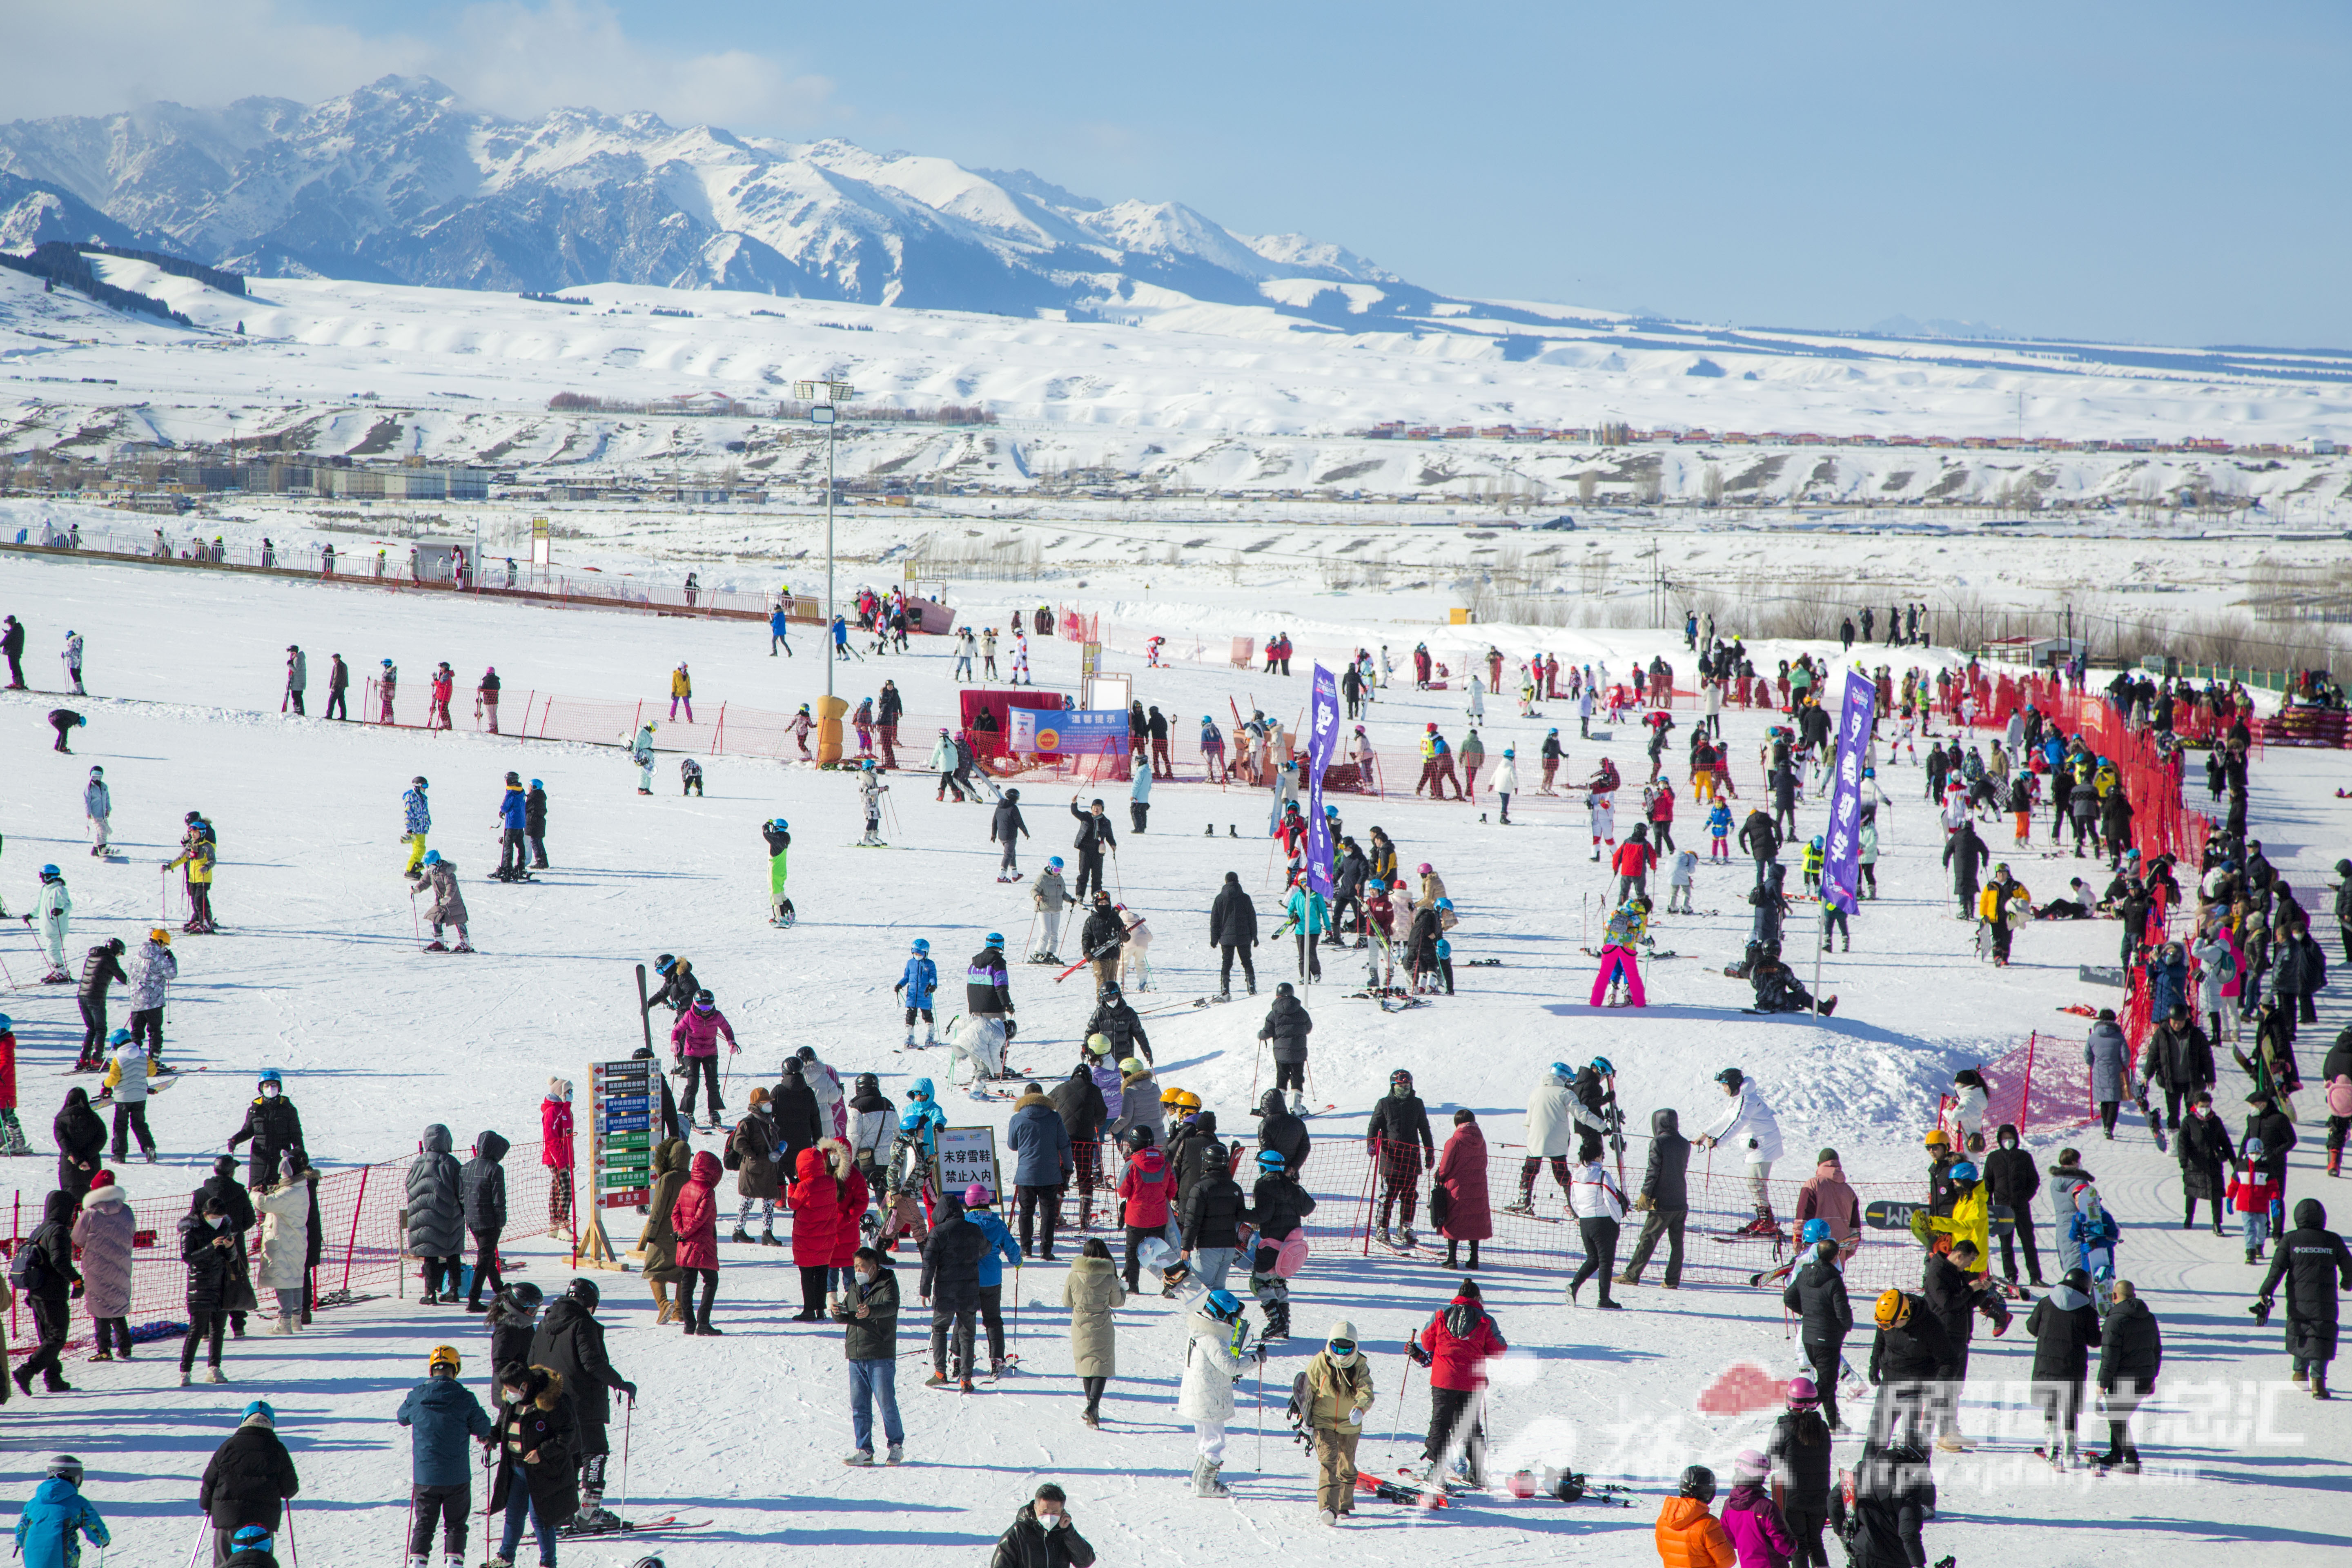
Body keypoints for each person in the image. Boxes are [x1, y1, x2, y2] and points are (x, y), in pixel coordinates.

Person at [528, 1279, 633, 1525]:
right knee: (594, 1452)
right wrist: (620, 1383)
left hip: (550, 1402)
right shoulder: (583, 1323)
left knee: (568, 1454)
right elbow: (592, 1363)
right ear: (590, 1303)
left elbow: (531, 1361)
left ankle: (562, 1510)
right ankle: (589, 1511)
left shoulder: (544, 1323)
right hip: (582, 1401)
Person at [398, 1345, 494, 1568]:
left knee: (424, 1523)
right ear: (456, 1369)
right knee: (456, 1524)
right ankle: (454, 1562)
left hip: (425, 1475)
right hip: (457, 1475)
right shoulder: (465, 1398)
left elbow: (402, 1418)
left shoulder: (416, 1395)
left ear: (432, 1370)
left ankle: (417, 1562)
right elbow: (483, 1426)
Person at [1411, 1278, 1505, 1486]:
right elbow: (1499, 1350)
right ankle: (1478, 1472)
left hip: (1444, 1379)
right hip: (1473, 1381)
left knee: (1440, 1423)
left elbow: (1427, 1342)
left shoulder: (1441, 1314)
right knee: (1472, 1426)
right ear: (1477, 1298)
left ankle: (1436, 1471)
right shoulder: (1486, 1321)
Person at [2255, 1197, 2352, 1397]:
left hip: (2298, 1300)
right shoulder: (2332, 1240)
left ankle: (2300, 1373)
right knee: (2320, 1336)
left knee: (2300, 1332)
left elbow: (2277, 1269)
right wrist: (2347, 1283)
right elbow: (2349, 1267)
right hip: (2325, 1301)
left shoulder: (2291, 1240)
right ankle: (2318, 1383)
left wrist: (2266, 1291)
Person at [488, 1363, 577, 1567]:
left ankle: (548, 1562)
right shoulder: (511, 1403)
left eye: (511, 1389)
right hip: (516, 1469)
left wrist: (542, 1453)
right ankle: (506, 1558)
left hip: (542, 1472)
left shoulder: (551, 1402)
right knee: (513, 1516)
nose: (508, 1394)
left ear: (524, 1386)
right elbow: (502, 1426)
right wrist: (492, 1437)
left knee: (541, 1519)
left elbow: (567, 1435)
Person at [1177, 1289, 1260, 1497]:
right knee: (1215, 1441)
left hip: (1199, 1395)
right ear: (1222, 1314)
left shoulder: (1199, 1330)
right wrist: (1256, 1359)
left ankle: (1199, 1481)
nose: (1235, 1322)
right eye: (1233, 1317)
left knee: (1205, 1440)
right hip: (1210, 1397)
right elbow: (1230, 1367)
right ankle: (1208, 1485)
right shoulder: (1212, 1337)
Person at [200, 1401, 298, 1567]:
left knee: (226, 1562)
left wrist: (206, 1504)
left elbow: (210, 1480)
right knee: (258, 1562)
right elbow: (290, 1489)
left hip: (228, 1516)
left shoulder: (228, 1447)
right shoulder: (277, 1448)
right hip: (263, 1519)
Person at [1301, 1319, 1376, 1525]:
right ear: (1329, 1344)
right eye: (1336, 1347)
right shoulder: (1320, 1362)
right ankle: (1328, 1507)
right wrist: (1305, 1417)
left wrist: (1360, 1408)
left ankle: (1343, 1505)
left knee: (1347, 1465)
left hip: (1349, 1423)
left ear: (1355, 1346)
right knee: (1328, 1461)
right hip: (1322, 1420)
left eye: (1347, 1348)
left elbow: (1366, 1390)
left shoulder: (1359, 1365)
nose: (1341, 1353)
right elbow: (1307, 1391)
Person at [2025, 1267, 2102, 1466]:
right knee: (2069, 1405)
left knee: (2051, 1402)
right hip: (2073, 1365)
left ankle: (2051, 1444)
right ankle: (2070, 1450)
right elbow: (2095, 1341)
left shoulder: (2046, 1303)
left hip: (2047, 1362)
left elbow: (2032, 1328)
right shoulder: (2087, 1311)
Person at [1697, 1067, 1784, 1236]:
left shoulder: (1748, 1099)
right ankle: (1764, 1219)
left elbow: (1739, 1122)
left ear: (1733, 1084)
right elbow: (1726, 1119)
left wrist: (1718, 1141)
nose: (1723, 1089)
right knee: (1755, 1182)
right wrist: (1704, 1135)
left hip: (1765, 1145)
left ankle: (1767, 1222)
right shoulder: (1740, 1098)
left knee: (1756, 1182)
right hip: (1758, 1145)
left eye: (1724, 1085)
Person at [1865, 1287, 1951, 1450]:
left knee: (1909, 1446)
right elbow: (1880, 1342)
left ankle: (1909, 1475)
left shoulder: (1931, 1326)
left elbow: (1950, 1361)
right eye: (1882, 1325)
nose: (1885, 1328)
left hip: (1915, 1392)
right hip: (1889, 1385)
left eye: (1889, 1325)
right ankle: (1868, 1473)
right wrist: (1874, 1366)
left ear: (1905, 1314)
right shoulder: (1887, 1320)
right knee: (1875, 1439)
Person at [178, 1193, 249, 1387]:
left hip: (221, 1283)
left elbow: (231, 1257)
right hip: (200, 1284)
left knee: (219, 1329)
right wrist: (211, 1247)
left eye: (221, 1217)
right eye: (215, 1217)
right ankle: (185, 1371)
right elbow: (188, 1257)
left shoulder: (225, 1226)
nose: (218, 1220)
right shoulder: (191, 1230)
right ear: (206, 1213)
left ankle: (214, 1368)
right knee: (197, 1329)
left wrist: (230, 1247)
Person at [11, 1191, 78, 1395]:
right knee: (57, 1337)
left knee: (47, 1337)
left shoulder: (40, 1229)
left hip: (36, 1293)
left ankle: (53, 1378)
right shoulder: (58, 1231)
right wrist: (77, 1281)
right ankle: (26, 1371)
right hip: (52, 1293)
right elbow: (59, 1261)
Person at [921, 1190, 987, 1391]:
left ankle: (941, 1373)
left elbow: (928, 1263)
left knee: (940, 1329)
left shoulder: (938, 1233)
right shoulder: (974, 1229)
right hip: (969, 1290)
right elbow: (986, 1249)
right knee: (967, 1334)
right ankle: (966, 1380)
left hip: (945, 1291)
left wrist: (925, 1289)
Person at [1059, 1236, 1127, 1429]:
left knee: (1087, 1366)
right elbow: (1118, 1302)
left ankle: (1092, 1409)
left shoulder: (1073, 1275)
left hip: (1079, 1325)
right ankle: (1093, 1407)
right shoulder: (1109, 1276)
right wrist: (1123, 1288)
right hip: (1102, 1325)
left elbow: (1066, 1302)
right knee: (1101, 1365)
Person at [2093, 1280, 2161, 1471]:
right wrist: (2152, 1377)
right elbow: (2156, 1349)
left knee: (2116, 1416)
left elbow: (2110, 1357)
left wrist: (2102, 1383)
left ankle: (2131, 1459)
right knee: (2119, 1416)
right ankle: (2116, 1454)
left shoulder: (2114, 1321)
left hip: (2123, 1378)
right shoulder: (2149, 1318)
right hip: (2144, 1376)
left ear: (2114, 1296)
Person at [1620, 1107, 1692, 1289]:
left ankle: (1632, 1275)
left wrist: (1646, 1194)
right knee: (1677, 1243)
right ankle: (1672, 1280)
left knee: (1648, 1239)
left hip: (1662, 1202)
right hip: (1680, 1200)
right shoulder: (1685, 1143)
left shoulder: (1658, 1142)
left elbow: (1653, 1172)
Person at [1767, 1379, 1835, 1567]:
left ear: (1790, 1401)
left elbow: (1771, 1460)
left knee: (1798, 1543)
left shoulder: (1783, 1428)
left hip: (1794, 1498)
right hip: (1821, 1496)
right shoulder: (1822, 1428)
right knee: (1816, 1542)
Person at [1368, 1068, 1434, 1248]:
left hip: (1412, 1156)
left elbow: (1425, 1129)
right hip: (1391, 1156)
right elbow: (1374, 1126)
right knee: (1388, 1194)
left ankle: (1406, 1227)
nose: (1404, 1089)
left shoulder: (1417, 1104)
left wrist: (1430, 1152)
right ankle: (1382, 1228)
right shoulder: (1385, 1104)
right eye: (1400, 1086)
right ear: (1393, 1086)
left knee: (1410, 1195)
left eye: (1407, 1086)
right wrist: (1371, 1144)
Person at [72, 1173, 135, 1360]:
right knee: (117, 1305)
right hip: (121, 1265)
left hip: (96, 1267)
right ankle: (125, 1347)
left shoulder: (90, 1213)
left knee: (100, 1308)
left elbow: (77, 1239)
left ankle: (104, 1349)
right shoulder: (127, 1211)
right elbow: (132, 1232)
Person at [1009, 1081, 1073, 1258]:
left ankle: (1026, 1248)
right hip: (1050, 1175)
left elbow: (1012, 1145)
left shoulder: (1017, 1119)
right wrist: (1068, 1167)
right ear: (1042, 1096)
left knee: (1026, 1212)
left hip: (1026, 1174)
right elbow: (1065, 1145)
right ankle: (1046, 1250)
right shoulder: (1054, 1117)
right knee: (1048, 1213)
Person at [13, 1453, 109, 1568]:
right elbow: (94, 1526)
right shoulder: (77, 1502)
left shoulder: (33, 1503)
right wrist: (102, 1540)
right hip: (62, 1559)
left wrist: (20, 1543)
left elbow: (22, 1529)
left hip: (32, 1558)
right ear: (76, 1478)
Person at [255, 1154, 316, 1332]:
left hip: (283, 1243)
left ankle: (284, 1323)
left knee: (283, 1284)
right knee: (296, 1281)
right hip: (296, 1242)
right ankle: (296, 1321)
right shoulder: (300, 1187)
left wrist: (254, 1193)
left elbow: (265, 1204)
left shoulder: (289, 1192)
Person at [405, 1124, 465, 1303]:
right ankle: (453, 1291)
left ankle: (430, 1294)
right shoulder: (452, 1163)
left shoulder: (418, 1162)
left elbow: (409, 1185)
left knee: (430, 1253)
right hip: (449, 1217)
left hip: (423, 1217)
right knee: (453, 1253)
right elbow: (461, 1189)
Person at [1567, 1153, 1628, 1308]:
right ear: (1598, 1156)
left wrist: (1582, 1215)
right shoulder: (1602, 1175)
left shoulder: (1575, 1175)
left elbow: (1573, 1199)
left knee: (1593, 1259)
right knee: (1606, 1262)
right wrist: (1618, 1217)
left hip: (1585, 1222)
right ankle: (1604, 1299)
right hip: (1603, 1222)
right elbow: (1611, 1198)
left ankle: (1574, 1285)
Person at [669, 991, 737, 1128]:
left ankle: (714, 1112)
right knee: (693, 1083)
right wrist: (675, 1042)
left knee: (713, 1083)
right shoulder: (689, 1016)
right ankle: (688, 1112)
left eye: (709, 1007)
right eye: (702, 1008)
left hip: (710, 1053)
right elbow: (677, 1031)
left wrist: (732, 1042)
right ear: (695, 1005)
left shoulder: (717, 1016)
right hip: (692, 1053)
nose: (706, 1011)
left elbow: (727, 1029)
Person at [1434, 1108, 1491, 1272]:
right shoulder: (1481, 1140)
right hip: (1478, 1186)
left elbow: (1445, 1167)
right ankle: (1474, 1260)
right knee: (1475, 1220)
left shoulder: (1454, 1141)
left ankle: (1452, 1259)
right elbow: (1484, 1163)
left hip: (1457, 1187)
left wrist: (1439, 1176)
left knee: (1454, 1220)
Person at [461, 1131, 511, 1312]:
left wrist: (467, 1214)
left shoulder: (466, 1167)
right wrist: (501, 1221)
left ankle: (498, 1287)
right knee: (484, 1259)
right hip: (490, 1222)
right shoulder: (495, 1169)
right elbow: (499, 1199)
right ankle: (473, 1300)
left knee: (487, 1256)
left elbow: (461, 1196)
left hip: (472, 1220)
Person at [989, 1483, 1096, 1568]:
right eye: (1044, 1512)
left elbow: (1085, 1563)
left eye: (1054, 1512)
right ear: (1035, 1508)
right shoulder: (1018, 1533)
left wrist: (1069, 1532)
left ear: (1062, 1511)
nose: (1049, 1517)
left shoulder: (1064, 1533)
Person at [1654, 1464, 1735, 1567]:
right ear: (1709, 1493)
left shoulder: (1664, 1520)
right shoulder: (1708, 1524)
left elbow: (1664, 1553)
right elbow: (1728, 1560)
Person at [1257, 982, 1313, 1116]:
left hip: (1281, 1054)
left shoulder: (1274, 1013)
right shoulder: (1301, 1011)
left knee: (1282, 1077)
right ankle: (1296, 1107)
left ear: (1278, 996)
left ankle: (1280, 1107)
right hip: (1298, 1052)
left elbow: (1267, 1032)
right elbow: (1309, 1027)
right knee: (1297, 1077)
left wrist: (1260, 1035)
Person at [125, 928, 176, 1062]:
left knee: (136, 1033)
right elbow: (171, 974)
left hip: (137, 1002)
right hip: (153, 1001)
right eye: (164, 945)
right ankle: (154, 1062)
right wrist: (171, 959)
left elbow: (130, 976)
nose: (165, 948)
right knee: (155, 1033)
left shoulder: (137, 956)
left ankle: (134, 1062)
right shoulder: (159, 957)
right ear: (160, 942)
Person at [406, 851, 470, 953]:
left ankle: (465, 944)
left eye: (429, 865)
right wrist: (417, 889)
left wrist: (448, 898)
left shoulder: (447, 873)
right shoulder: (432, 872)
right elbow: (424, 882)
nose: (427, 868)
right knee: (436, 917)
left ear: (436, 863)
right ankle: (439, 942)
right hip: (441, 902)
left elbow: (451, 886)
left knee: (459, 921)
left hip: (454, 902)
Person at [1211, 870, 1259, 999]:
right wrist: (1255, 936)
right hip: (1244, 937)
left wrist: (1214, 939)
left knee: (1226, 963)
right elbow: (1252, 919)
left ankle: (1225, 990)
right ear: (1237, 881)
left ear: (1226, 882)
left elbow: (1215, 921)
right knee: (1247, 962)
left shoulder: (1220, 899)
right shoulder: (1245, 898)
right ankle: (1252, 988)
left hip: (1226, 938)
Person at [992, 787, 1029, 881]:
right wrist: (1025, 832)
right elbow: (1019, 822)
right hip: (1011, 836)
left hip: (1002, 836)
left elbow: (994, 822)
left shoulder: (999, 807)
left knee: (1012, 853)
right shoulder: (1013, 808)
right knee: (1008, 855)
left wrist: (994, 834)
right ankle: (1001, 876)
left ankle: (1015, 874)